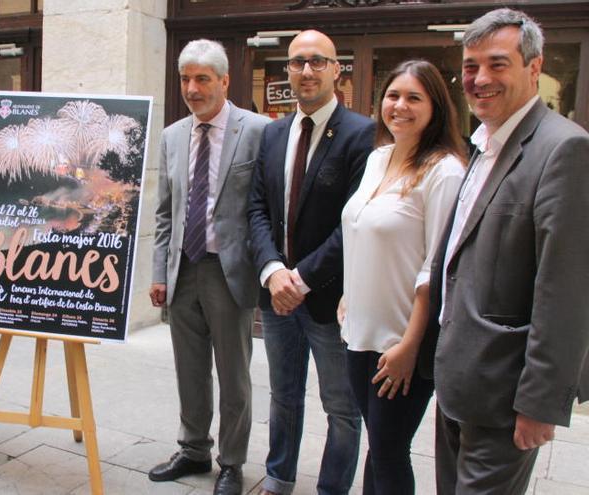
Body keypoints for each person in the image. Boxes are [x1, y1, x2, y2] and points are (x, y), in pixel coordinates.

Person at [416, 8, 589, 494]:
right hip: (459, 382)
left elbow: (566, 292)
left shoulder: (564, 150)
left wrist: (541, 404)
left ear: (534, 68)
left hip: (505, 395)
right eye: (471, 66)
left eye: (497, 64)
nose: (479, 78)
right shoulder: (484, 143)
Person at [247, 30, 374, 495]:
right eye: (298, 62)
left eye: (317, 61)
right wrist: (272, 271)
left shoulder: (363, 134)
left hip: (329, 297)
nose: (306, 70)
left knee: (342, 407)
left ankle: (331, 489)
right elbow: (257, 208)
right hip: (276, 294)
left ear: (336, 69)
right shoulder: (273, 132)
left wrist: (300, 277)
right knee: (283, 396)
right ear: (288, 71)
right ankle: (278, 479)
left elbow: (354, 223)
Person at [149, 39, 270, 495]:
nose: (193, 89)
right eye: (185, 79)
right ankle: (194, 448)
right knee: (189, 368)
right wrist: (159, 272)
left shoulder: (258, 130)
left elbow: (266, 207)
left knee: (234, 375)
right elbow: (165, 212)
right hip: (184, 269)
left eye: (202, 79)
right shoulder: (173, 135)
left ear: (224, 80)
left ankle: (232, 463)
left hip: (229, 272)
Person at [338, 60, 466, 494]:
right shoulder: (378, 157)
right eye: (393, 96)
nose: (401, 106)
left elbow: (438, 265)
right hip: (359, 332)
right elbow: (357, 230)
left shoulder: (444, 172)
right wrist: (346, 293)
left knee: (391, 451)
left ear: (436, 107)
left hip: (401, 341)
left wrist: (411, 344)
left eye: (414, 97)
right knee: (379, 445)